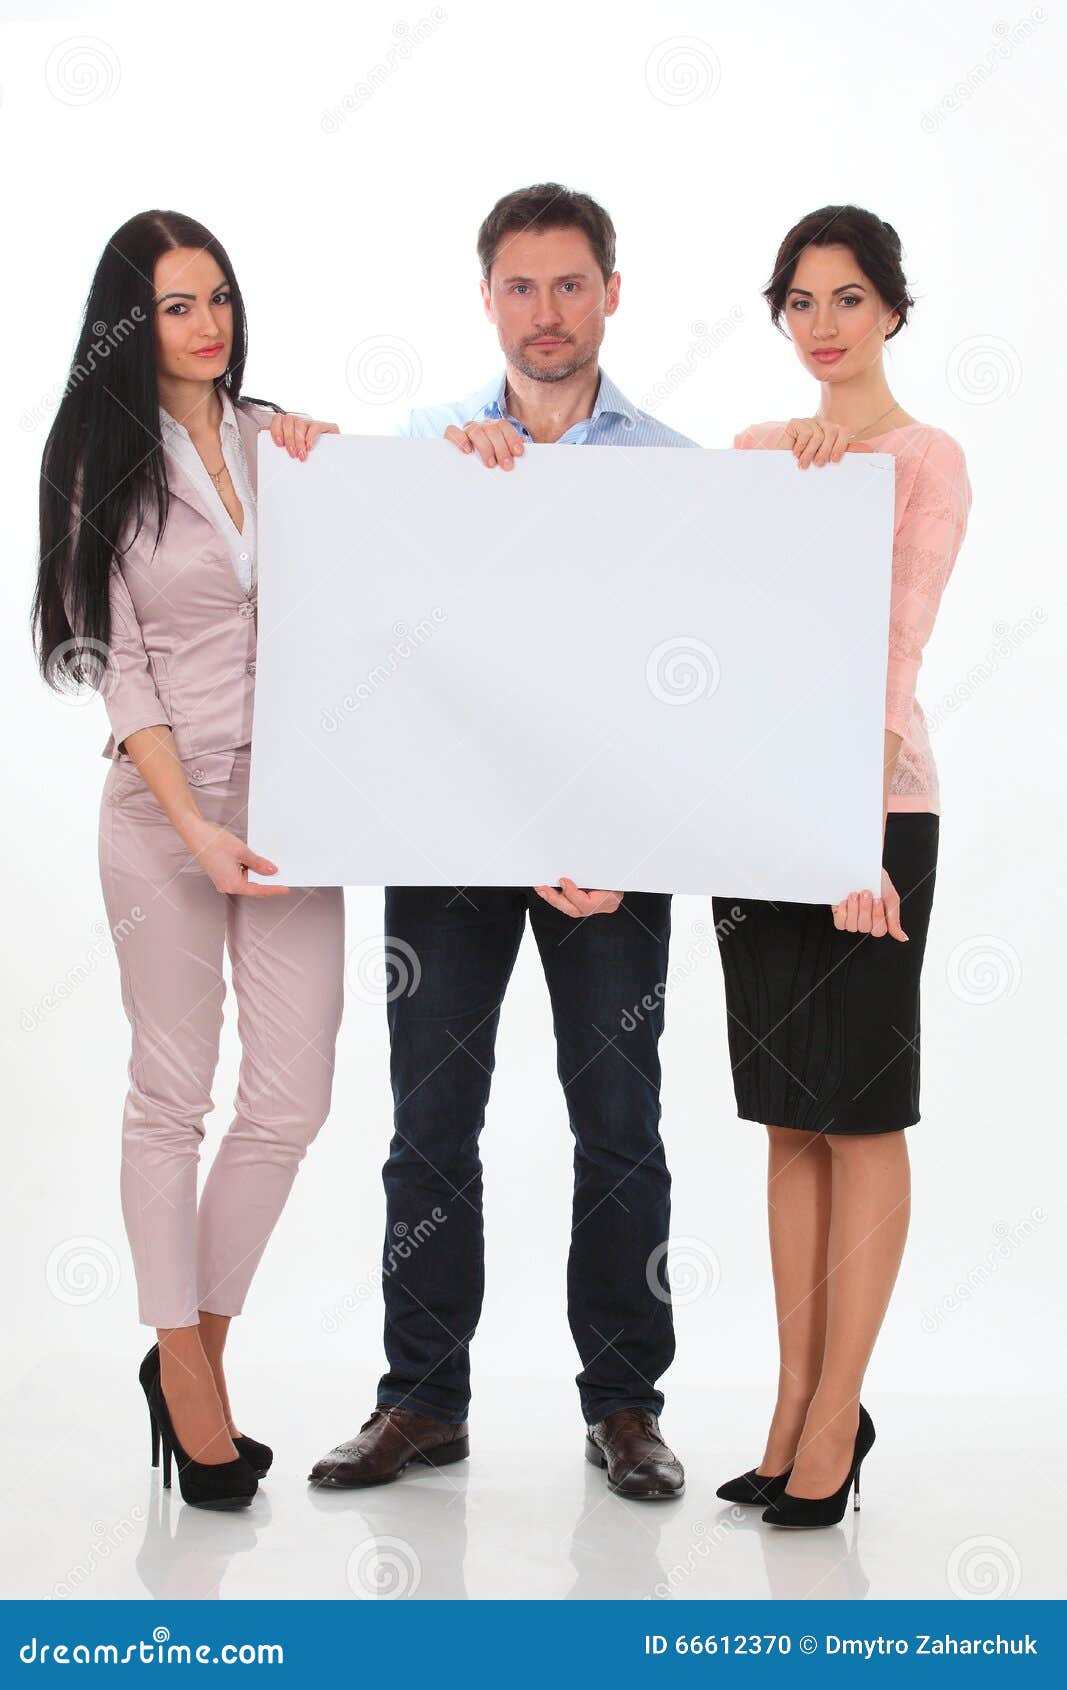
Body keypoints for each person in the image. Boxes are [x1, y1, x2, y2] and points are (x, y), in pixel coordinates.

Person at [310, 183, 695, 1501]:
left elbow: (681, 679)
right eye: (521, 287)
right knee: (427, 1127)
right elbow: (384, 644)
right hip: (452, 840)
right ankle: (420, 1398)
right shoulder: (425, 445)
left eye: (571, 284)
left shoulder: (675, 471)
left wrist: (620, 827)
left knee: (621, 1127)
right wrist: (436, 492)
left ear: (611, 293)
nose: (548, 311)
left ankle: (629, 1405)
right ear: (488, 300)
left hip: (608, 857)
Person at [33, 210, 345, 1509]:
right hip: (163, 811)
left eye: (219, 297)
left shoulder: (280, 441)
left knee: (292, 1096)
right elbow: (119, 669)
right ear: (129, 322)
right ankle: (188, 1362)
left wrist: (388, 470)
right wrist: (199, 824)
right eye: (176, 304)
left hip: (300, 803)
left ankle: (191, 1353)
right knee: (173, 1096)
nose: (208, 324)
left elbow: (389, 577)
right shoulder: (95, 459)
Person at [713, 205, 971, 1527]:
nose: (823, 325)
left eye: (849, 299)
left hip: (871, 809)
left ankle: (837, 1407)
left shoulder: (927, 457)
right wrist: (789, 480)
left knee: (862, 1110)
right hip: (757, 816)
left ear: (892, 311)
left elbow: (895, 645)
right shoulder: (759, 452)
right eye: (801, 302)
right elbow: (717, 622)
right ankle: (792, 1394)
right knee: (790, 1115)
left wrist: (850, 834)